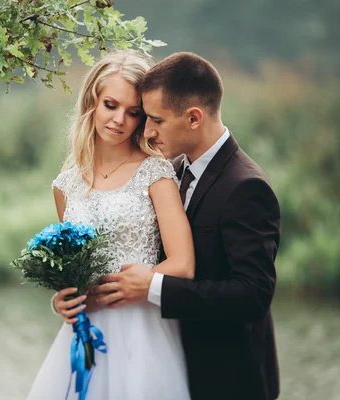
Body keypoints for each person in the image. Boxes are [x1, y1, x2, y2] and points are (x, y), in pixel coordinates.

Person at [93, 52, 281, 400]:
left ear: (194, 117)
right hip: (168, 365)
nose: (146, 131)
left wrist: (153, 286)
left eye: (156, 120)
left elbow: (252, 296)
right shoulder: (172, 170)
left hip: (228, 381)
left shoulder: (246, 187)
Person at [26, 50, 195, 399]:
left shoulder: (156, 172)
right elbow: (74, 268)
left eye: (133, 112)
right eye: (110, 105)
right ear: (92, 102)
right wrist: (63, 301)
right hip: (86, 331)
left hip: (144, 329)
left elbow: (183, 264)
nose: (119, 120)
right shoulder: (65, 185)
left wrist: (137, 286)